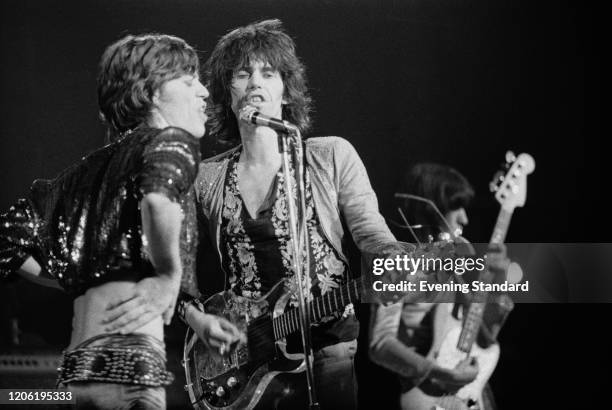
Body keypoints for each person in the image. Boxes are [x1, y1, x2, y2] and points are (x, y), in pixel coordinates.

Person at [106, 19, 398, 409]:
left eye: (268, 73)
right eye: (243, 74)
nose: (256, 83)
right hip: (243, 359)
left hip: (328, 347)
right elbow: (171, 266)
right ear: (227, 92)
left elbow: (372, 234)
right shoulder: (206, 177)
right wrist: (196, 320)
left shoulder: (330, 155)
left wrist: (392, 258)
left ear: (285, 89)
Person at [0, 33, 208, 409]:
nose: (204, 93)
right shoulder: (170, 141)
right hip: (131, 368)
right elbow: (158, 200)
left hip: (78, 372)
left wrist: (75, 276)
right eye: (190, 81)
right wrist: (168, 276)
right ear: (153, 92)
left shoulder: (77, 176)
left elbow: (6, 242)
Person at [369, 163, 513, 410]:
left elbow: (483, 331)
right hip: (429, 391)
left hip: (471, 389)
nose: (465, 218)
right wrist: (442, 374)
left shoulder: (462, 251)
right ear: (431, 210)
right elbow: (380, 344)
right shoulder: (396, 263)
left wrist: (499, 281)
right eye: (457, 208)